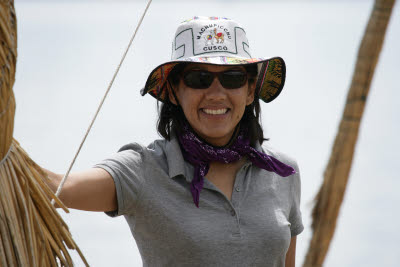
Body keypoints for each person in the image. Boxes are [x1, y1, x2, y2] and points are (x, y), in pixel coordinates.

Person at [46, 16, 303, 267]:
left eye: (232, 77)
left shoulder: (283, 171)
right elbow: (58, 188)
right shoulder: (142, 169)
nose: (216, 93)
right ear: (174, 91)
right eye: (199, 78)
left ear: (249, 91)